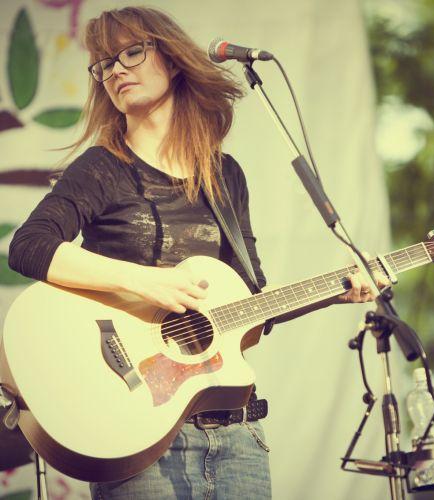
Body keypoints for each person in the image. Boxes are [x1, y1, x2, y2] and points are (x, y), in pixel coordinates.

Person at [8, 6, 386, 499]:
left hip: (238, 435)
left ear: (171, 58)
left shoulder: (225, 175)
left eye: (131, 53)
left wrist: (337, 291)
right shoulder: (102, 168)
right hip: (139, 436)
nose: (115, 70)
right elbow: (30, 247)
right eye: (104, 64)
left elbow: (252, 304)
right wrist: (146, 281)